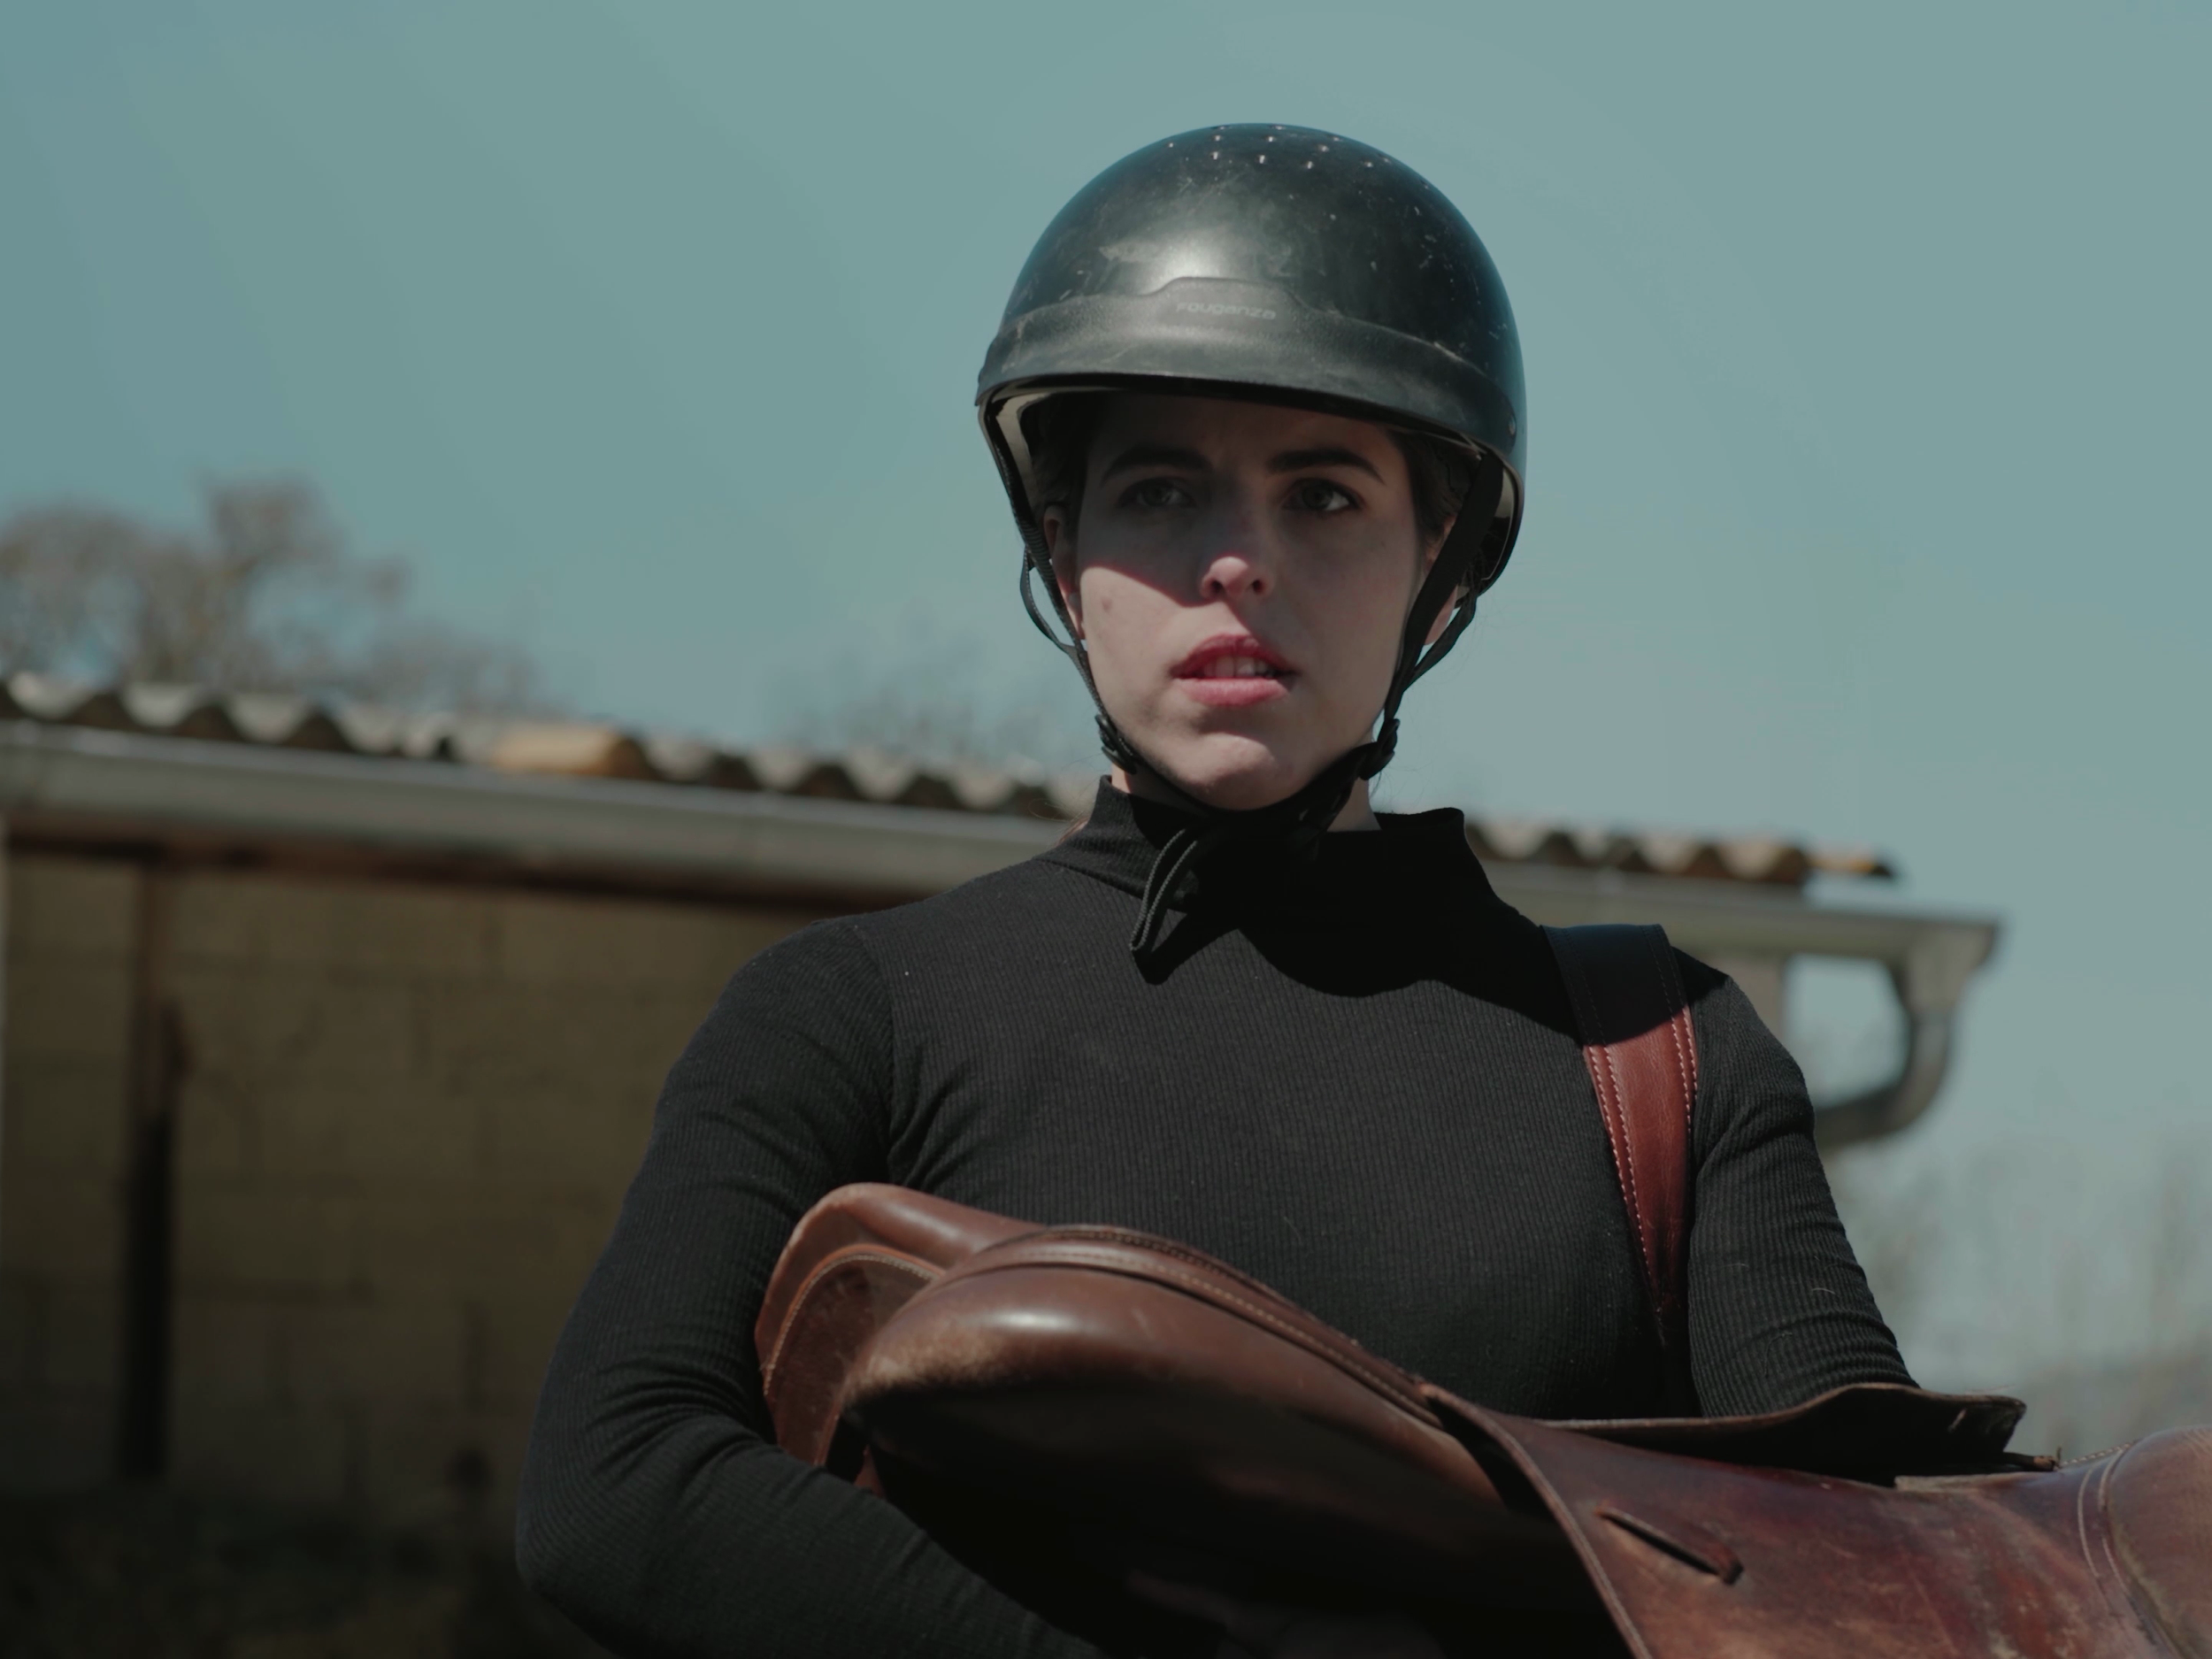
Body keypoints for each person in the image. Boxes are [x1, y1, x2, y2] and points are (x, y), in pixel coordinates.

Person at [516, 125, 1910, 1658]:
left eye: (1323, 497)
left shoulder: (1665, 1054)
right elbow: (617, 1481)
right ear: (1062, 548)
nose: (1239, 562)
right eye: (1163, 490)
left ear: (1438, 560)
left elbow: (1880, 1564)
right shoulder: (853, 1012)